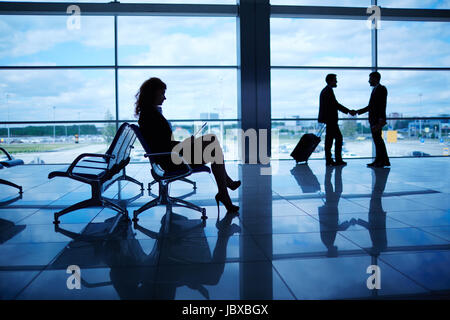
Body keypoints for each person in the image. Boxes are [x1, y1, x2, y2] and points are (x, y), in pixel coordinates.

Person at [135, 77, 240, 213]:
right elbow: (163, 146)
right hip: (171, 160)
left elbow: (161, 143)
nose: (164, 98)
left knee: (212, 141)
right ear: (153, 94)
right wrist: (184, 145)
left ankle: (225, 189)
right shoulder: (150, 116)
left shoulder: (149, 114)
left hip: (171, 156)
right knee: (213, 145)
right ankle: (225, 190)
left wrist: (185, 144)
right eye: (162, 93)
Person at [318, 74, 356, 166]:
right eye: (335, 80)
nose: (336, 82)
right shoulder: (328, 91)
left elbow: (334, 105)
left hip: (329, 120)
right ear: (330, 81)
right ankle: (336, 159)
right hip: (331, 120)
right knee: (337, 138)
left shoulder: (326, 90)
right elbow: (336, 105)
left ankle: (330, 160)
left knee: (330, 140)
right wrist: (348, 111)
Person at [356, 72, 390, 168]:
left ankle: (382, 161)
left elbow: (382, 106)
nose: (368, 81)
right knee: (377, 141)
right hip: (374, 119)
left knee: (378, 141)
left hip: (377, 120)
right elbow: (371, 106)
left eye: (370, 79)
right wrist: (359, 111)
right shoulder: (375, 89)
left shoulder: (381, 89)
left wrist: (380, 120)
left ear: (375, 78)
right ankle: (380, 160)